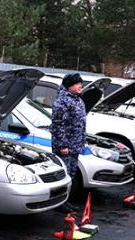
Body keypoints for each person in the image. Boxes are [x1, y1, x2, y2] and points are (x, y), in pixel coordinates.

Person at [51, 73, 86, 211]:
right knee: (64, 176)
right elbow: (58, 125)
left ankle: (66, 201)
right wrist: (63, 145)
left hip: (75, 145)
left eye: (80, 84)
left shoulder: (77, 100)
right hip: (65, 147)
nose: (80, 86)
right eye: (77, 84)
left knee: (71, 175)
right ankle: (59, 203)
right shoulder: (62, 101)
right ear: (69, 85)